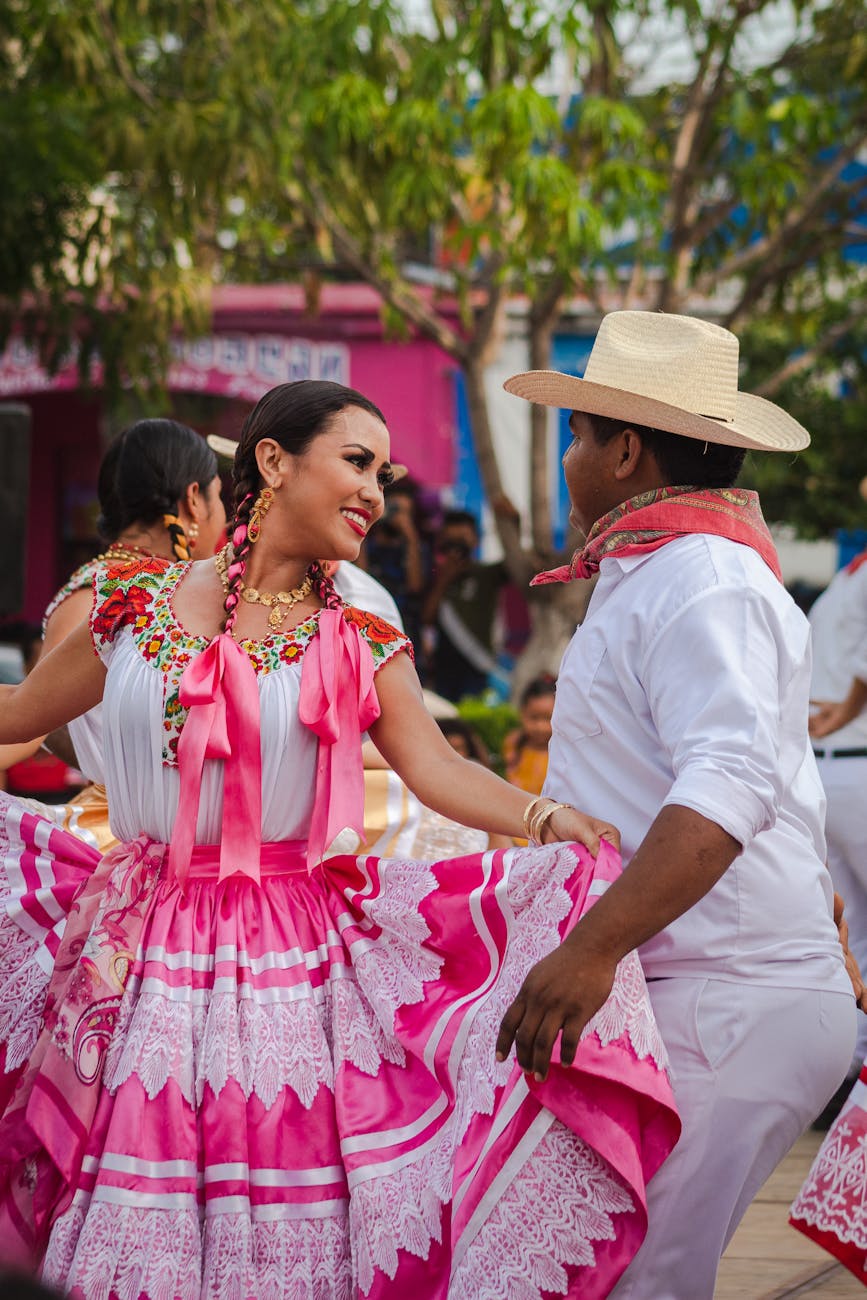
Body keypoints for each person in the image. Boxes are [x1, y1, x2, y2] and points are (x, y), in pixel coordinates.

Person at [0, 380, 679, 1298]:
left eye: (384, 474)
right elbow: (22, 712)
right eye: (357, 463)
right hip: (130, 956)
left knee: (276, 1199)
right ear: (272, 463)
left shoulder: (355, 634)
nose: (376, 493)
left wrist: (543, 819)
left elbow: (435, 768)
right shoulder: (132, 605)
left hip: (285, 971)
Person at [497, 310, 857, 1300]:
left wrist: (590, 949)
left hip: (723, 992)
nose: (568, 457)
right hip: (697, 983)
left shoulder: (702, 575)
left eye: (578, 434)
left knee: (635, 1281)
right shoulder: (667, 569)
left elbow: (727, 787)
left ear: (624, 449)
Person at [0, 419, 226, 852]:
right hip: (126, 841)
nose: (226, 516)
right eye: (221, 497)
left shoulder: (141, 589)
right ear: (194, 500)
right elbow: (30, 720)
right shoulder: (107, 595)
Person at [803, 540, 867, 1081]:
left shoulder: (854, 573)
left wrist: (838, 715)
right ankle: (850, 1070)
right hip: (843, 762)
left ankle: (849, 1073)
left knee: (855, 929)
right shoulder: (853, 571)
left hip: (844, 760)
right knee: (849, 929)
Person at [421, 510, 509, 701]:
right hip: (443, 668)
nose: (456, 548)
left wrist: (512, 524)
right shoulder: (432, 574)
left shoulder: (487, 574)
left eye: (462, 539)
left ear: (476, 540)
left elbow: (514, 563)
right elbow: (426, 618)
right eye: (449, 541)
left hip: (478, 665)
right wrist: (445, 579)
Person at [503, 674, 557, 797]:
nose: (540, 727)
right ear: (522, 713)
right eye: (534, 718)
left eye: (548, 718)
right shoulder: (513, 743)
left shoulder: (562, 753)